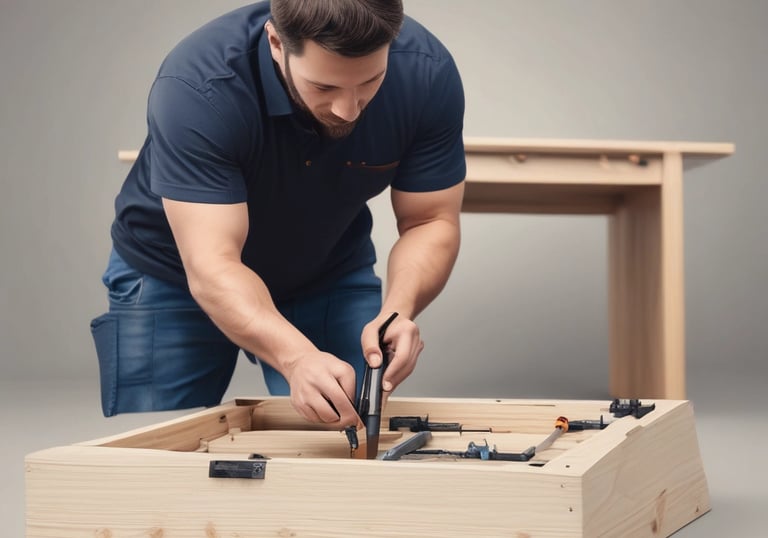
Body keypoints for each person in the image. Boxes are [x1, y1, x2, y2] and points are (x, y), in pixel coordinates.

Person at [90, 0, 465, 429]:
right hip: (173, 272)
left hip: (326, 270)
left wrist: (397, 311)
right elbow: (213, 263)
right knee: (157, 450)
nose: (348, 110)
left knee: (349, 434)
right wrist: (296, 357)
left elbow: (429, 221)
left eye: (370, 81)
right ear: (275, 42)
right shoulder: (198, 86)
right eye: (324, 87)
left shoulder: (426, 73)